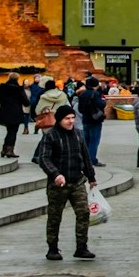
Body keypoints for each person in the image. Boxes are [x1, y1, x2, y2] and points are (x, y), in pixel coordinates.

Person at [32, 104, 97, 261]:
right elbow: (44, 159)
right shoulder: (51, 136)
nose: (71, 121)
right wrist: (55, 174)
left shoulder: (79, 135)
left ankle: (81, 247)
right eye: (67, 118)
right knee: (55, 216)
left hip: (77, 181)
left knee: (83, 212)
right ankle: (52, 248)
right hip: (58, 184)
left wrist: (91, 177)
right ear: (59, 119)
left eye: (73, 118)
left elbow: (85, 156)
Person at [74, 76, 108, 167]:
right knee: (94, 140)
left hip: (85, 119)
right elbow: (101, 104)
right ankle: (92, 159)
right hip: (95, 120)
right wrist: (104, 102)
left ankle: (85, 159)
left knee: (86, 140)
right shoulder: (96, 94)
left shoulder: (82, 94)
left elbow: (80, 109)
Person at [0, 75, 29, 158]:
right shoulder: (18, 89)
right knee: (13, 131)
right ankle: (9, 150)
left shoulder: (3, 87)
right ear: (17, 79)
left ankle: (4, 149)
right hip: (16, 112)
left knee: (9, 130)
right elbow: (26, 102)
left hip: (5, 112)